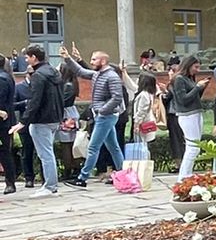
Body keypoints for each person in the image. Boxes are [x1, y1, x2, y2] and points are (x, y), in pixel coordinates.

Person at [74, 51, 126, 186]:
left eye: (94, 59)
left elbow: (117, 97)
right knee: (113, 147)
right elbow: (81, 71)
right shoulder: (98, 74)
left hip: (106, 116)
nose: (91, 62)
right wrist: (67, 58)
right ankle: (122, 175)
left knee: (93, 147)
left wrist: (102, 111)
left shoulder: (112, 76)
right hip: (105, 115)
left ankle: (82, 178)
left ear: (103, 61)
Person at [22, 43, 66, 194]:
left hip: (41, 120)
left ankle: (50, 186)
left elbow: (35, 101)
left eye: (27, 57)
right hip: (54, 118)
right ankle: (50, 184)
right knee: (48, 153)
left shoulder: (38, 76)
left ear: (34, 57)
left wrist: (23, 121)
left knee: (46, 154)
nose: (26, 60)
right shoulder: (54, 72)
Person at [169, 56, 206, 180]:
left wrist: (201, 88)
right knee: (192, 147)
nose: (198, 70)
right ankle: (183, 176)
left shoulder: (188, 78)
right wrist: (197, 87)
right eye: (196, 67)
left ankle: (187, 174)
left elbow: (195, 98)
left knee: (195, 147)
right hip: (187, 115)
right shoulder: (179, 79)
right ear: (188, 66)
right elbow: (183, 100)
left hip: (195, 113)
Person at [0, 55, 17, 194]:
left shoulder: (1, 79)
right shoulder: (6, 76)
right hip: (6, 121)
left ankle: (10, 183)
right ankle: (10, 182)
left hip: (2, 122)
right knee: (5, 153)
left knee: (5, 153)